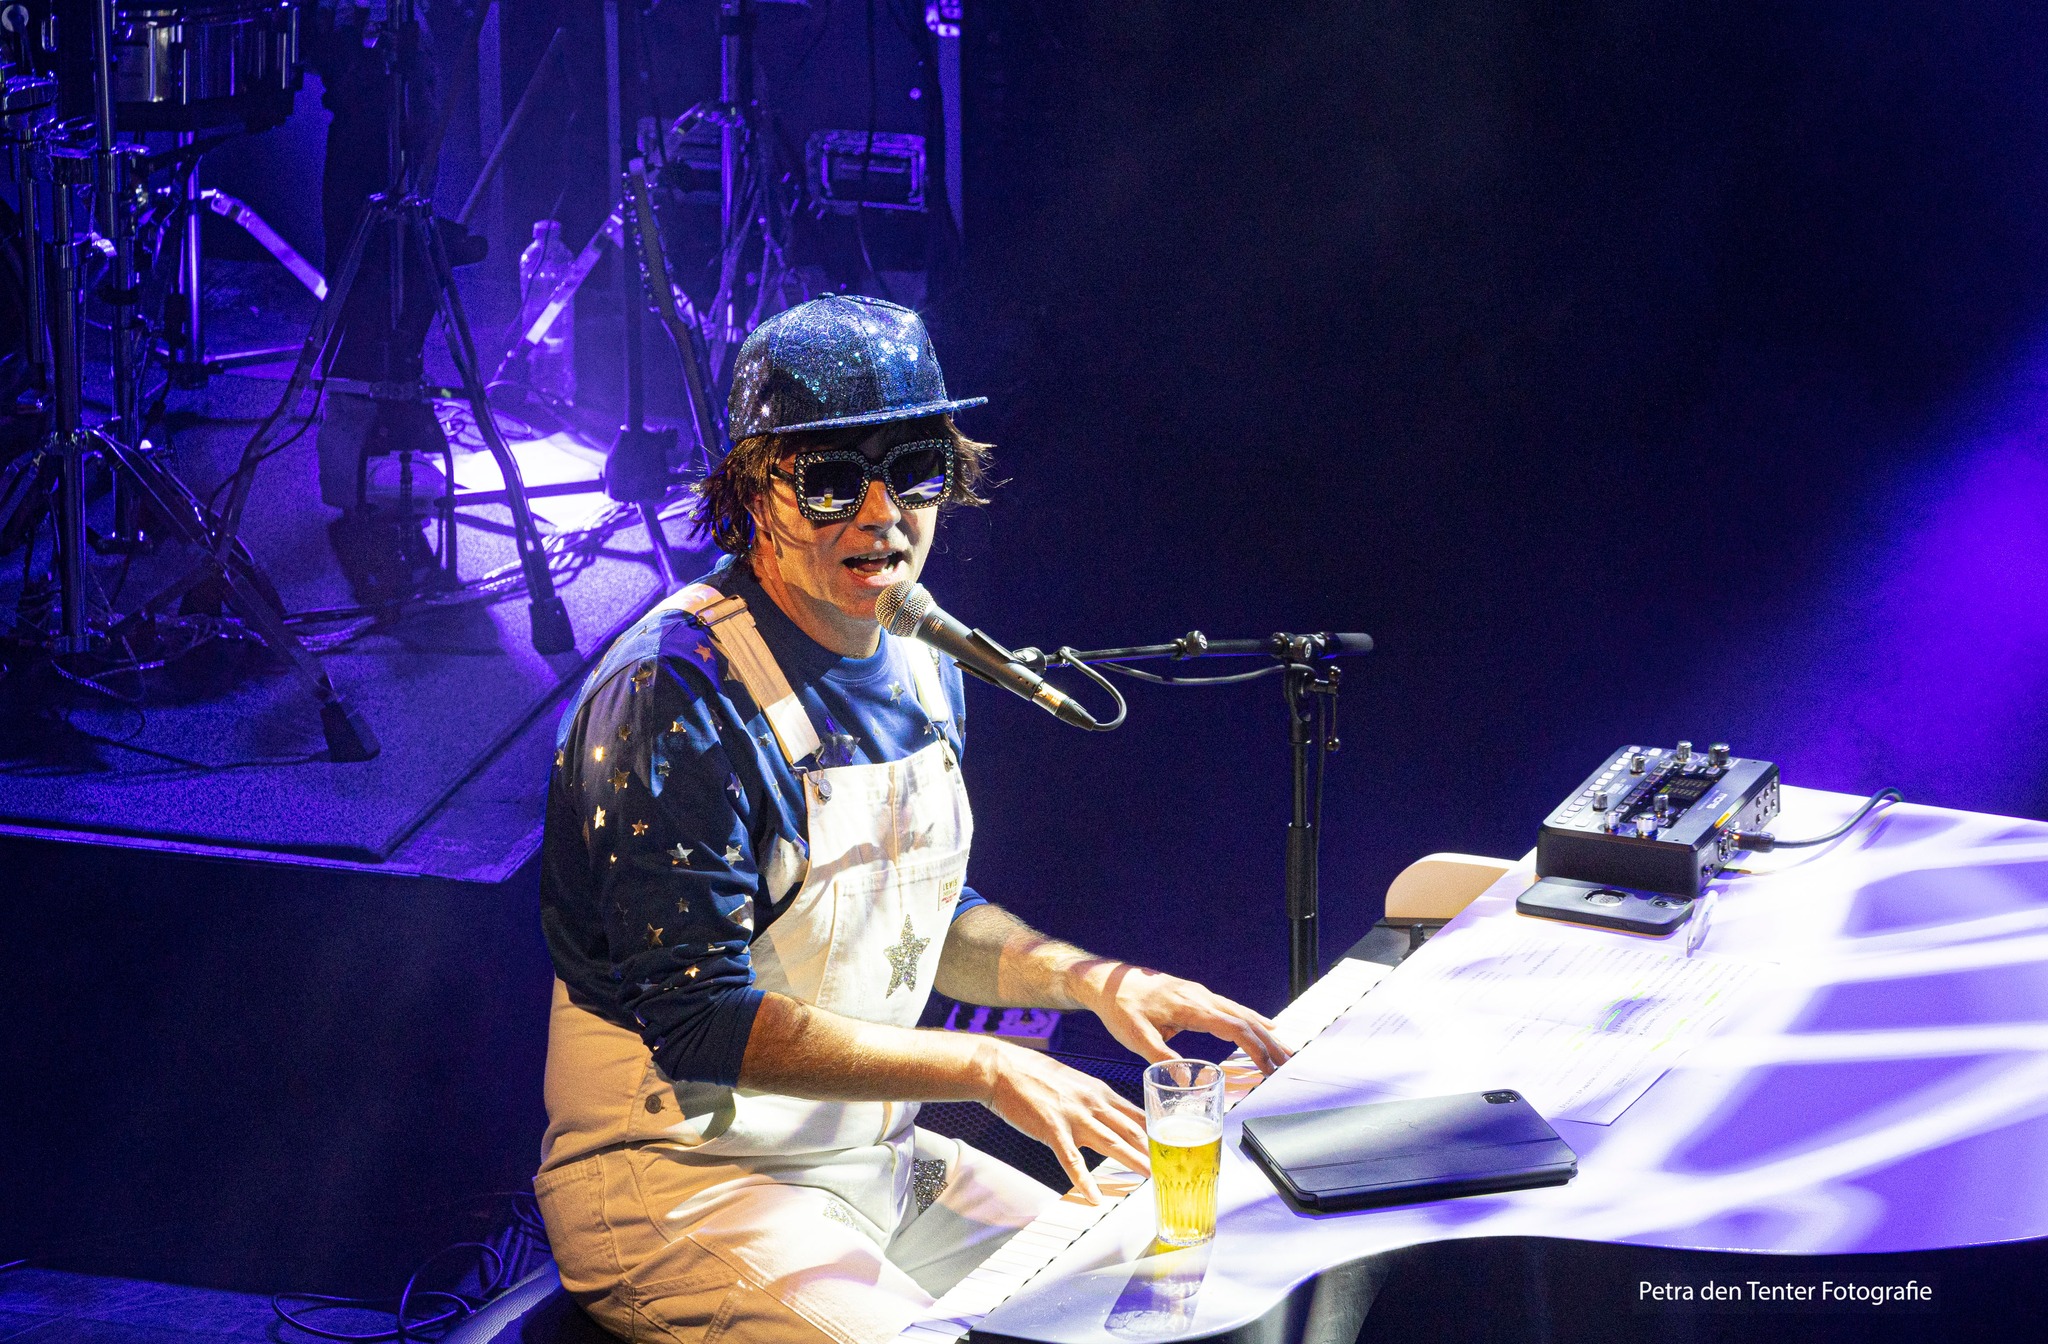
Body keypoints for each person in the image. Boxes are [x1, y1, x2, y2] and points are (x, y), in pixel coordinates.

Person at [534, 295, 1289, 1344]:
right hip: (684, 1184)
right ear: (750, 491)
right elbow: (698, 1019)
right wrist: (986, 1065)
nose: (882, 514)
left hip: (873, 1165)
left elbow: (919, 914)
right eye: (832, 479)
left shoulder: (925, 661)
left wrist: (1089, 980)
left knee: (1153, 1292)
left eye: (916, 470)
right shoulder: (674, 696)